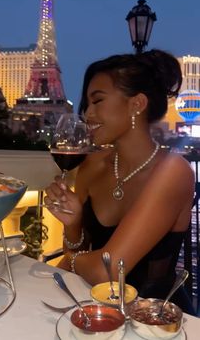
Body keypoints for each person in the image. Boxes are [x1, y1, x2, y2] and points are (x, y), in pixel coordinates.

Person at [45, 49, 195, 314]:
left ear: (136, 104)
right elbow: (81, 250)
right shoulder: (92, 165)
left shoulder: (174, 171)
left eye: (98, 100)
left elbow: (109, 271)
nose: (87, 113)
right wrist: (73, 225)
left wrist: (69, 259)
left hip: (154, 320)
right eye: (87, 103)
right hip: (95, 309)